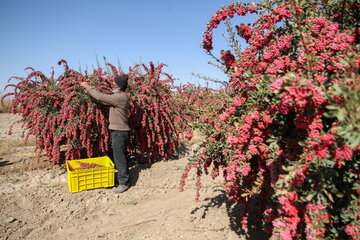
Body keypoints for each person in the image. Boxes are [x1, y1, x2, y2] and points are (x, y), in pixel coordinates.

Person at [80, 74, 130, 194]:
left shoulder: (119, 98)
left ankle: (124, 183)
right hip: (119, 131)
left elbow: (100, 97)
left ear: (118, 86)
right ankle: (121, 178)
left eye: (114, 83)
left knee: (120, 158)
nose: (112, 84)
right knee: (119, 156)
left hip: (120, 132)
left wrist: (88, 87)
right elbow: (107, 96)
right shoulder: (120, 96)